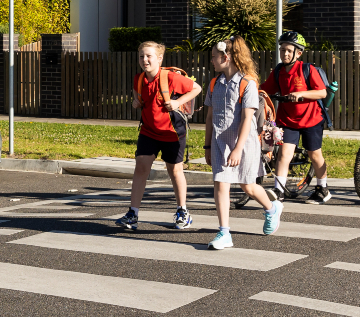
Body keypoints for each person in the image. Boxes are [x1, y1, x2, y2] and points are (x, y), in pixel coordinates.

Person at [112, 41, 202, 231]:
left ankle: (182, 212)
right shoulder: (139, 78)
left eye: (149, 56)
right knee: (141, 167)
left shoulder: (169, 77)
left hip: (172, 132)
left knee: (175, 171)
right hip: (149, 131)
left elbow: (196, 88)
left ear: (159, 58)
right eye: (141, 56)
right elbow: (138, 95)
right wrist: (136, 102)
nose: (144, 60)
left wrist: (178, 103)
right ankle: (133, 213)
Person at [204, 36, 282, 250]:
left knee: (248, 186)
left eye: (214, 57)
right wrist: (207, 146)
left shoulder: (248, 83)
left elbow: (247, 118)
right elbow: (209, 118)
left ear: (226, 57)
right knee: (221, 184)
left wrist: (238, 149)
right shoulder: (214, 83)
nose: (211, 60)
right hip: (220, 143)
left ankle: (271, 208)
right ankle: (224, 233)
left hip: (244, 144)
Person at [260, 31, 330, 204]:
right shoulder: (278, 71)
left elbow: (321, 92)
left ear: (298, 53)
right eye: (282, 50)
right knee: (284, 155)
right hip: (288, 119)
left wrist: (300, 94)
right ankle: (279, 190)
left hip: (311, 119)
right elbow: (265, 89)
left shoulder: (307, 69)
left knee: (314, 155)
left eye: (289, 51)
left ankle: (323, 189)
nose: (285, 53)